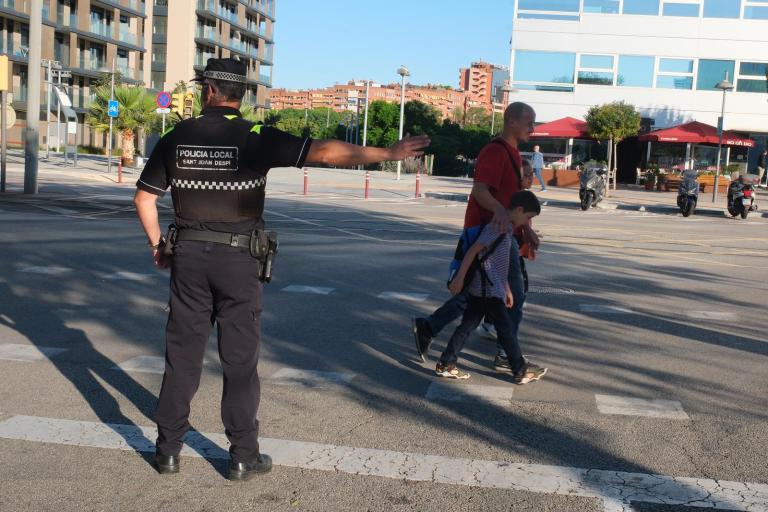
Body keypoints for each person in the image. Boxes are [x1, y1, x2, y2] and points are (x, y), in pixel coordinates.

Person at [133, 58, 429, 480]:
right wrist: (389, 153)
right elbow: (325, 151)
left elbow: (144, 199)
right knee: (238, 362)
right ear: (240, 94)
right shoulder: (257, 136)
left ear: (210, 91)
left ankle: (167, 452)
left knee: (182, 356)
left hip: (189, 259)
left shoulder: (176, 136)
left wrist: (159, 245)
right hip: (238, 261)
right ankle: (241, 456)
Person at [412, 102, 540, 370]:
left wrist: (525, 227)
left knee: (475, 297)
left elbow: (514, 200)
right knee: (509, 294)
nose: (533, 128)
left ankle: (429, 328)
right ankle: (506, 355)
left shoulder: (515, 154)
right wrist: (501, 214)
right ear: (512, 122)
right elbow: (480, 191)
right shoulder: (495, 152)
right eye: (529, 123)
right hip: (487, 233)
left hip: (503, 234)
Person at [435, 190, 546, 384]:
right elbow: (473, 251)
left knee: (467, 327)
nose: (527, 222)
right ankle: (519, 371)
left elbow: (498, 264)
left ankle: (446, 363)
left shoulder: (507, 229)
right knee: (506, 330)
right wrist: (460, 278)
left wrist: (508, 289)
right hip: (488, 291)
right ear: (519, 210)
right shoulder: (497, 228)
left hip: (487, 289)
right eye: (527, 218)